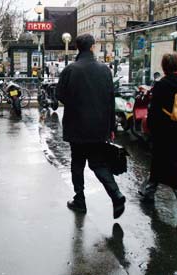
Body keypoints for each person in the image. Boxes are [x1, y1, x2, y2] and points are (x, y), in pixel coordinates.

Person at [57, 33, 126, 219]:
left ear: (77, 48)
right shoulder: (105, 70)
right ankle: (116, 194)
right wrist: (111, 127)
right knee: (98, 163)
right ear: (93, 46)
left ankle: (80, 200)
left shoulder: (71, 70)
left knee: (77, 163)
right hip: (99, 126)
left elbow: (60, 95)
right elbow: (111, 100)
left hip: (76, 126)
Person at [140, 52, 177, 222]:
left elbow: (154, 110)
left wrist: (150, 128)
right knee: (163, 162)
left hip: (163, 131)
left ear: (164, 66)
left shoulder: (162, 85)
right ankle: (147, 191)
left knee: (171, 167)